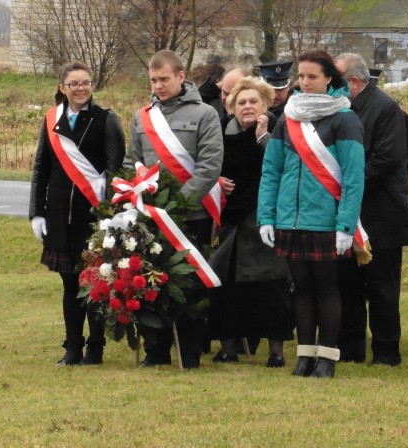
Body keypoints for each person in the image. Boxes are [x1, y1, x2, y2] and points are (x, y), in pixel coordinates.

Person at [257, 50, 365, 378]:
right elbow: (272, 170)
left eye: (311, 77)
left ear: (329, 78)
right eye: (301, 77)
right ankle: (305, 355)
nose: (304, 82)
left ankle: (327, 358)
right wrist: (266, 216)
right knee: (300, 288)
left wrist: (346, 224)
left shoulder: (345, 119)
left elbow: (353, 176)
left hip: (327, 221)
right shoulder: (288, 118)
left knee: (327, 288)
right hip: (290, 218)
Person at [127, 49, 224, 369]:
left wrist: (179, 205)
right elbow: (132, 163)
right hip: (151, 217)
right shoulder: (141, 118)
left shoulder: (205, 114)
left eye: (164, 79)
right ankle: (156, 351)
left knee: (190, 286)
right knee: (152, 281)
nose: (158, 85)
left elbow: (210, 166)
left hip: (190, 215)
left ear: (181, 77)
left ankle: (191, 351)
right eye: (153, 80)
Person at [28, 61, 126, 366]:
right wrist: (36, 212)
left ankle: (95, 349)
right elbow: (41, 168)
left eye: (85, 83)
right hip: (59, 216)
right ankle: (72, 347)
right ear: (62, 88)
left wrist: (112, 214)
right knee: (70, 285)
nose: (81, 88)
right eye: (74, 84)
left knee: (94, 282)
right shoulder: (51, 120)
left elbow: (115, 169)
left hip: (94, 217)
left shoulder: (106, 119)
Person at [333, 53, 408, 366]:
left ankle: (386, 352)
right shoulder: (341, 110)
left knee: (382, 288)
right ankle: (351, 350)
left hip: (381, 215)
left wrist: (346, 184)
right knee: (348, 286)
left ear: (355, 82)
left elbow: (389, 159)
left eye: (337, 81)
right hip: (348, 214)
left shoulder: (385, 108)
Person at [208, 77, 293, 368]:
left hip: (263, 219)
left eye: (253, 101)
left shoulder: (278, 129)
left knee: (269, 286)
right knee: (226, 286)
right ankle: (229, 347)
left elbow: (284, 168)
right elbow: (208, 166)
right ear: (231, 106)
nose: (247, 106)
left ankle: (276, 352)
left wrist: (262, 138)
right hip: (229, 221)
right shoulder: (220, 131)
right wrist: (216, 182)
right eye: (241, 101)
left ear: (265, 104)